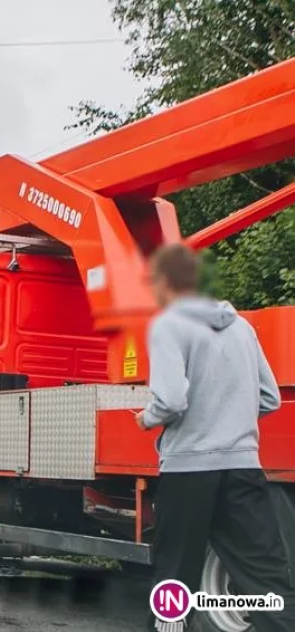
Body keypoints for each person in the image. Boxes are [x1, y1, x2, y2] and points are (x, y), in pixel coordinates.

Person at [137, 242, 295, 632]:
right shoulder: (241, 326)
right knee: (266, 576)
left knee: (176, 576)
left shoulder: (169, 325)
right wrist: (230, 419)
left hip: (189, 470)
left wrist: (146, 418)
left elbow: (172, 400)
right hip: (243, 467)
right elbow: (270, 397)